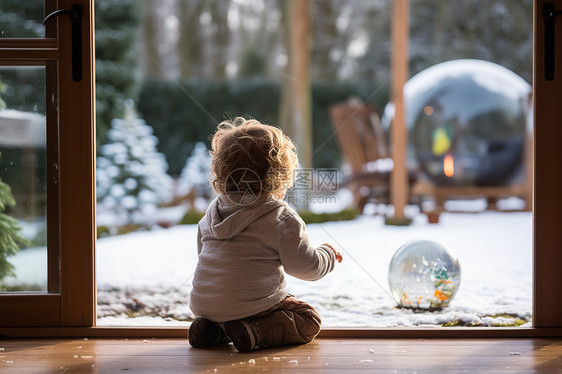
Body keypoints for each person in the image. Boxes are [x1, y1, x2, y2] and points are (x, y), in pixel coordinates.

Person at [188, 117, 342, 353]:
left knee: (235, 307)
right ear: (278, 177)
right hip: (252, 306)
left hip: (204, 305)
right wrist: (327, 255)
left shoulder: (211, 213)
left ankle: (214, 329)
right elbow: (304, 267)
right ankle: (255, 331)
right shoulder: (279, 217)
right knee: (308, 318)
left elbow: (204, 253)